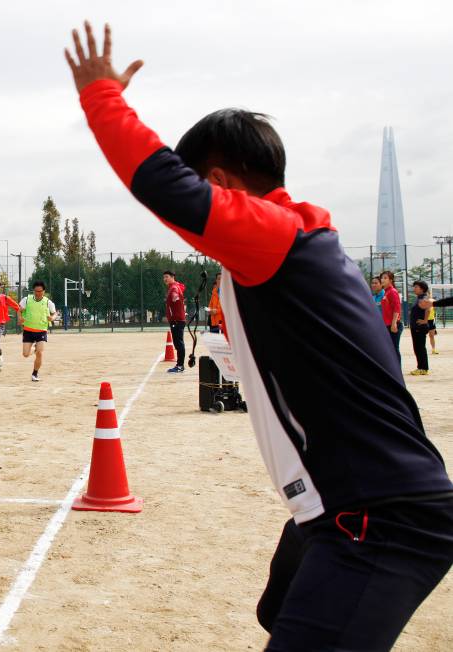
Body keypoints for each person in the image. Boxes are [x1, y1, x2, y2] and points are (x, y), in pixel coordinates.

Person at [66, 22, 453, 649]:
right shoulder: (303, 247)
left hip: (379, 517)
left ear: (220, 184)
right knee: (280, 612)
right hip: (340, 506)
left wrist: (100, 96)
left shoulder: (273, 237)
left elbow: (162, 184)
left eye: (201, 189)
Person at [19, 280, 56, 382]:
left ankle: (34, 373)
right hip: (28, 330)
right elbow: (19, 310)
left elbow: (54, 313)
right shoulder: (26, 299)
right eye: (36, 291)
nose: (38, 293)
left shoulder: (48, 302)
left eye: (40, 291)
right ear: (33, 291)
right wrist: (20, 318)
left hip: (41, 330)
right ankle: (34, 349)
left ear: (44, 291)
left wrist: (52, 318)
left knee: (40, 352)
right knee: (25, 354)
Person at [163, 270, 187, 372]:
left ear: (173, 277)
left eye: (167, 277)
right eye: (164, 277)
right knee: (178, 343)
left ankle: (180, 366)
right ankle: (180, 365)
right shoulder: (175, 286)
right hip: (177, 319)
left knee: (178, 343)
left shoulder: (173, 288)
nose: (165, 279)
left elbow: (176, 297)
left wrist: (175, 297)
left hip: (176, 320)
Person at [409, 281, 432, 376]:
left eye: (416, 287)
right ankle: (420, 367)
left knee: (420, 348)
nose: (414, 288)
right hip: (415, 327)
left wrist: (425, 320)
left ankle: (423, 368)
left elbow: (429, 308)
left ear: (422, 288)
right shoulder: (418, 297)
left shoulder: (424, 297)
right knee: (417, 348)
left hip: (420, 327)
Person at [381, 270, 403, 360]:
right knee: (389, 350)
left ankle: (397, 371)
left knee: (394, 349)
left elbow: (397, 308)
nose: (382, 280)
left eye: (385, 278)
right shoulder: (385, 292)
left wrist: (394, 323)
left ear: (391, 280)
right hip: (387, 324)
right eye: (382, 278)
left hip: (393, 324)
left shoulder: (392, 291)